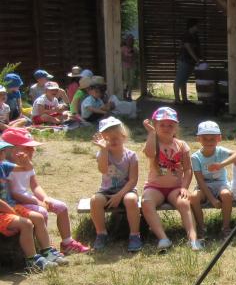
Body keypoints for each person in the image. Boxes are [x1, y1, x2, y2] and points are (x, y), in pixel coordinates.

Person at [3, 127, 90, 255]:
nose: (32, 150)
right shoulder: (6, 168)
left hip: (29, 198)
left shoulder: (27, 165)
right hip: (18, 203)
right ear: (10, 150)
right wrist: (37, 202)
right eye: (27, 147)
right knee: (42, 212)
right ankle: (45, 246)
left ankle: (67, 242)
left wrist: (45, 198)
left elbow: (35, 186)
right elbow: (13, 194)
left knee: (62, 207)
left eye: (32, 147)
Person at [140, 107, 200, 252]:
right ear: (155, 125)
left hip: (175, 188)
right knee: (146, 203)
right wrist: (151, 134)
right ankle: (163, 238)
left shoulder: (182, 145)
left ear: (176, 127)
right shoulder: (153, 141)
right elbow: (149, 153)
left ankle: (193, 239)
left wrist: (184, 187)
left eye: (170, 125)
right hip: (155, 187)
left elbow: (187, 169)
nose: (166, 128)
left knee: (184, 203)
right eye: (162, 125)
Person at [89, 117, 142, 252]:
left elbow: (133, 180)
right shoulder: (102, 153)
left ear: (123, 137)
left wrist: (119, 195)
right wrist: (103, 150)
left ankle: (134, 235)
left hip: (126, 190)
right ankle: (101, 233)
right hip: (107, 191)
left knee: (131, 199)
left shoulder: (131, 155)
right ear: (102, 139)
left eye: (116, 137)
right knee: (95, 200)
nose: (112, 141)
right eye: (108, 138)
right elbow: (103, 170)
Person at [0, 140, 52, 271]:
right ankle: (32, 260)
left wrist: (26, 160)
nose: (3, 154)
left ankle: (47, 252)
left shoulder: (3, 165)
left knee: (38, 217)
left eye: (2, 151)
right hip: (3, 211)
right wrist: (12, 212)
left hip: (10, 208)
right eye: (1, 152)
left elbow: (26, 169)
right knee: (26, 224)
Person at [189, 121, 234, 239]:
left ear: (219, 138)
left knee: (227, 195)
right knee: (194, 197)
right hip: (205, 186)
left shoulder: (221, 151)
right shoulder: (195, 157)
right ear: (198, 139)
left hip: (221, 184)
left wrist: (221, 164)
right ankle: (201, 227)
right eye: (205, 138)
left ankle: (226, 228)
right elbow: (200, 181)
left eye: (212, 138)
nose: (209, 142)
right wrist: (212, 199)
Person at [175, 19, 201, 104]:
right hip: (184, 60)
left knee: (184, 80)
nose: (198, 27)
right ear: (192, 26)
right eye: (197, 25)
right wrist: (196, 59)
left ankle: (184, 99)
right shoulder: (186, 35)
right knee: (179, 80)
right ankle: (177, 100)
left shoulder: (194, 36)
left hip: (190, 61)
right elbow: (189, 49)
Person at [121, 33, 139, 100]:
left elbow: (137, 57)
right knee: (126, 80)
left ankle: (129, 94)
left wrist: (133, 54)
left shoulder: (135, 49)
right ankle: (124, 93)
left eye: (131, 40)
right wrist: (127, 57)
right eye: (128, 40)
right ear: (126, 41)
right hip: (125, 66)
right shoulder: (122, 49)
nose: (130, 42)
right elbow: (120, 57)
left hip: (132, 66)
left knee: (131, 81)